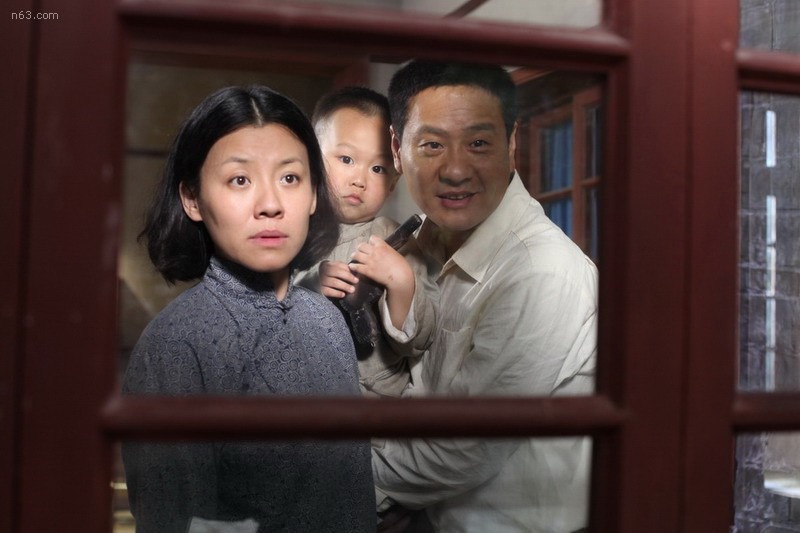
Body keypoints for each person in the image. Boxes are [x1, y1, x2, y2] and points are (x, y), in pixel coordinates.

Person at [121, 85, 375, 533]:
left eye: (290, 178)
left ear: (314, 195)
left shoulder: (326, 321)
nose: (271, 205)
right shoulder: (176, 345)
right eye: (240, 180)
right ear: (192, 199)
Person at [371, 61, 598, 532]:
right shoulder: (419, 239)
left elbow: (460, 451)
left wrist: (325, 477)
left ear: (511, 144)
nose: (456, 170)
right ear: (397, 149)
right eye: (432, 145)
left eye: (478, 143)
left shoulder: (541, 271)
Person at [295, 86, 435, 398]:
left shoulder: (393, 238)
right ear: (312, 160)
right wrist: (311, 287)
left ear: (393, 182)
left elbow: (419, 340)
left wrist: (401, 283)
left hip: (371, 398)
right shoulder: (292, 230)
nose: (359, 180)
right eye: (346, 159)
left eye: (378, 168)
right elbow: (266, 312)